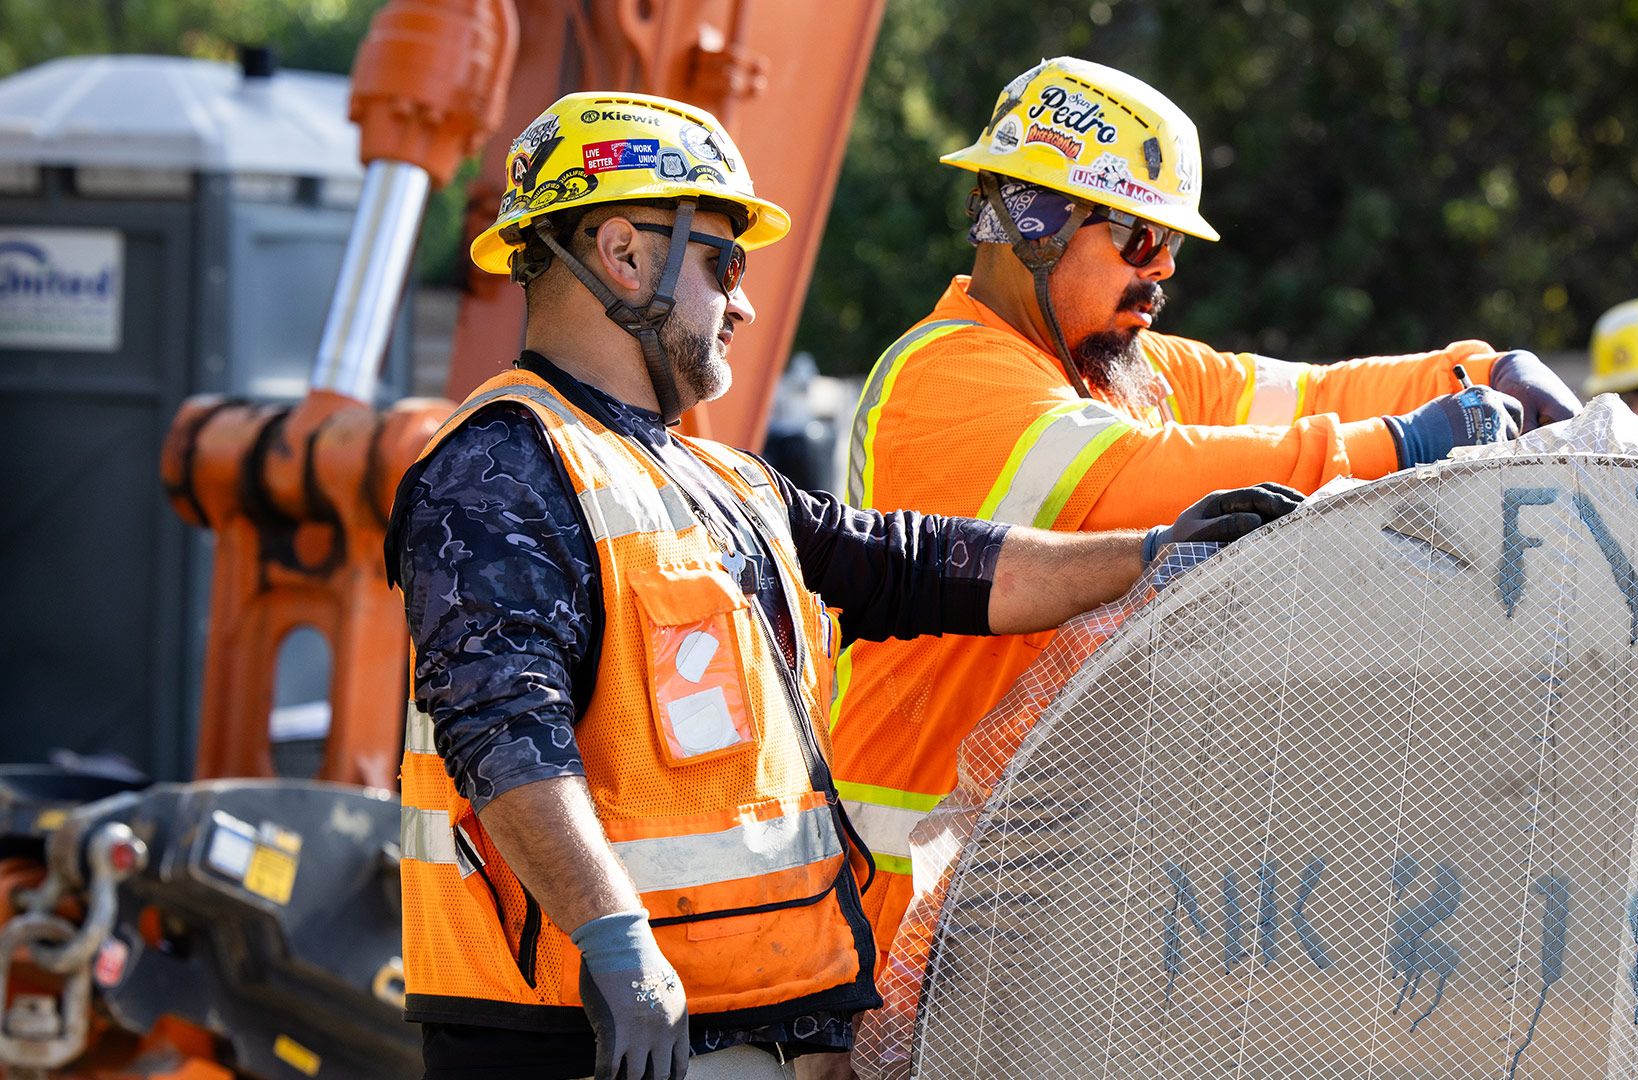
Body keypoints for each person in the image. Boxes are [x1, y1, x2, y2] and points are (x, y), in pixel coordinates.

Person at [387, 92, 1301, 1080]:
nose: (741, 301)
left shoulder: (715, 478)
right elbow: (500, 728)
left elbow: (909, 565)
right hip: (585, 1036)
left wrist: (1145, 554)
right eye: (721, 263)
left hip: (721, 1023)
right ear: (623, 253)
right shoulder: (501, 468)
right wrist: (614, 942)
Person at [824, 56, 1583, 979]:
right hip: (905, 904)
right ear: (1034, 220)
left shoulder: (1118, 370)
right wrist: (1400, 444)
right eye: (1140, 238)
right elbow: (1149, 484)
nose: (1166, 269)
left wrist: (1477, 370)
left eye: (1170, 245)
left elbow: (1304, 391)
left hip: (1020, 884)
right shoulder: (943, 377)